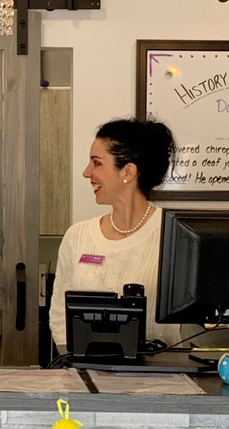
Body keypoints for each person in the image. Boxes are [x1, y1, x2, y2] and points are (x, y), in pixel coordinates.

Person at [49, 118, 179, 348]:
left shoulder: (176, 237)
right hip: (85, 378)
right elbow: (60, 321)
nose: (86, 172)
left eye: (96, 163)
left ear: (127, 171)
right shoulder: (77, 237)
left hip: (161, 381)